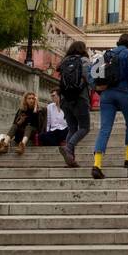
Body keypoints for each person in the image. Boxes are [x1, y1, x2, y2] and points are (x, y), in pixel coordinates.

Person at [91, 33, 128, 179]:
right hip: (125, 93)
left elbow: (92, 72)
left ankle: (97, 164)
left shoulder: (107, 53)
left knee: (105, 128)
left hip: (107, 95)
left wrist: (97, 87)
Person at [56, 40, 91, 168]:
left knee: (72, 128)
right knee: (85, 127)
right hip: (80, 98)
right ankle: (68, 148)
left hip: (65, 99)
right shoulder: (84, 61)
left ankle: (70, 159)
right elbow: (89, 78)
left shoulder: (64, 61)